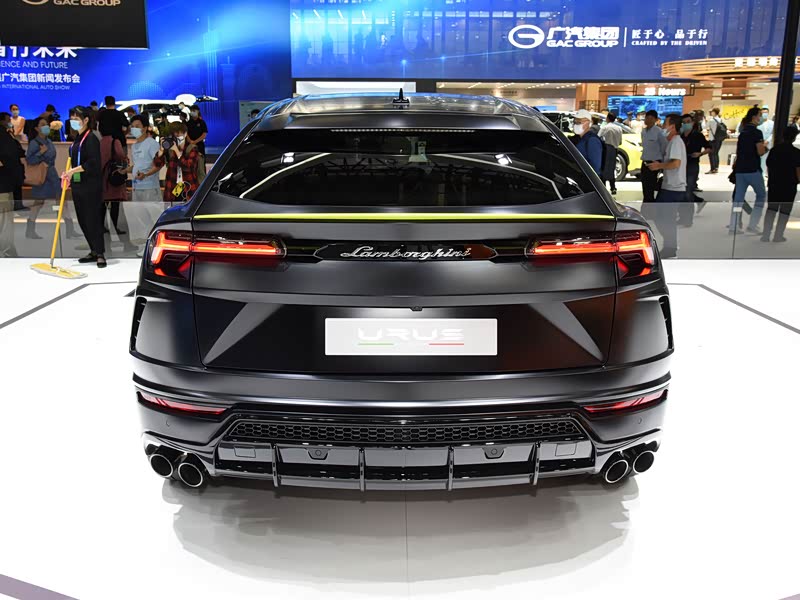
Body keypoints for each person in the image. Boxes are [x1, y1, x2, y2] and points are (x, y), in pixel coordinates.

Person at [62, 106, 107, 268]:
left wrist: (73, 170)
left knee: (92, 218)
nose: (73, 121)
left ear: (86, 120)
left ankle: (100, 253)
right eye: (72, 118)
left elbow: (93, 162)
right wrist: (68, 174)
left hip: (90, 186)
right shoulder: (77, 138)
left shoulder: (91, 138)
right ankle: (93, 250)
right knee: (82, 219)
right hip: (78, 185)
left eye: (76, 118)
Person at [646, 113, 686, 259]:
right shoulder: (673, 142)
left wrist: (659, 166)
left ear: (672, 127)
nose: (663, 126)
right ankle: (670, 245)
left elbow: (676, 163)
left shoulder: (676, 142)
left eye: (665, 124)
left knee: (665, 218)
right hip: (669, 186)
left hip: (674, 188)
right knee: (661, 216)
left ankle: (671, 247)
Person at [730, 107, 768, 234]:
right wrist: (765, 147)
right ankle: (753, 224)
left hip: (740, 170)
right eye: (759, 115)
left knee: (738, 199)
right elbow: (760, 151)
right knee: (761, 195)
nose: (761, 118)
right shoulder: (757, 133)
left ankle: (734, 225)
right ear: (754, 117)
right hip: (753, 169)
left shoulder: (743, 132)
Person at [127, 114, 163, 241]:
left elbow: (159, 164)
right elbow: (137, 164)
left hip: (150, 187)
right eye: (132, 126)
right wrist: (126, 170)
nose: (134, 129)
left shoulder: (152, 144)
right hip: (136, 186)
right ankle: (147, 242)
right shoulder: (134, 146)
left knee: (154, 216)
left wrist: (146, 175)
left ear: (145, 128)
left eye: (137, 126)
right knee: (141, 217)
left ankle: (158, 241)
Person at [24, 118, 61, 240]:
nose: (46, 127)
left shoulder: (49, 141)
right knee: (38, 203)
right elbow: (30, 160)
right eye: (43, 125)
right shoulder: (35, 143)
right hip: (42, 176)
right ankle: (30, 229)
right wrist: (40, 153)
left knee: (61, 201)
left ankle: (66, 228)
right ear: (36, 128)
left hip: (52, 175)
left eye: (47, 124)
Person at [762, 127, 800, 242]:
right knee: (785, 212)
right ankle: (778, 235)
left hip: (774, 184)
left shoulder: (774, 150)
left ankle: (766, 235)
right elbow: (798, 170)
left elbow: (768, 165)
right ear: (794, 138)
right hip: (789, 185)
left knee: (771, 210)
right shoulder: (796, 152)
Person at [99, 126, 133, 251]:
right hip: (113, 177)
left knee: (103, 206)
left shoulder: (100, 141)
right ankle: (117, 230)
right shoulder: (115, 141)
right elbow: (120, 155)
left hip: (103, 178)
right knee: (116, 205)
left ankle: (103, 231)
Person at [153, 122, 200, 203]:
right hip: (172, 188)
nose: (176, 138)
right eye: (174, 136)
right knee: (173, 209)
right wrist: (161, 151)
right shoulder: (170, 150)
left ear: (185, 134)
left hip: (188, 188)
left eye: (178, 135)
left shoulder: (191, 149)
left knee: (188, 209)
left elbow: (188, 167)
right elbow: (157, 164)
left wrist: (177, 151)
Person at [679, 113, 711, 225]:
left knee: (688, 192)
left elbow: (709, 148)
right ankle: (682, 217)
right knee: (681, 192)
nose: (686, 124)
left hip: (692, 165)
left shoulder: (698, 135)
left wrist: (700, 154)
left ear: (692, 123)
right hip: (681, 166)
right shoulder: (680, 136)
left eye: (688, 122)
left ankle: (688, 219)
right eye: (684, 122)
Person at [0, 111, 23, 257]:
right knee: (5, 220)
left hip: (6, 183)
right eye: (8, 119)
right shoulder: (3, 136)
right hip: (3, 184)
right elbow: (13, 154)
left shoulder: (7, 135)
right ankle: (6, 251)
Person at [641, 109, 667, 205]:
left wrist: (662, 164)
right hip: (645, 162)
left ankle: (650, 208)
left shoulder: (659, 132)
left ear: (656, 120)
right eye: (647, 118)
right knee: (645, 187)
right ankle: (646, 206)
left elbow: (664, 147)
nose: (648, 120)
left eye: (651, 118)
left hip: (654, 162)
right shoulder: (643, 131)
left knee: (650, 188)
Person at [571, 109, 603, 175]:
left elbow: (595, 168)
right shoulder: (577, 139)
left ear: (589, 123)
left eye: (579, 122)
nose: (576, 124)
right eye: (575, 122)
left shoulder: (592, 140)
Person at [599, 112, 623, 194]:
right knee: (612, 168)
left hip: (606, 149)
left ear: (608, 118)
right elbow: (620, 142)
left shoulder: (605, 127)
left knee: (604, 168)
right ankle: (613, 187)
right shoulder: (619, 128)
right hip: (615, 150)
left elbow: (598, 137)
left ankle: (603, 187)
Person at [186, 104, 208, 180]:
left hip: (200, 145)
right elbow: (186, 133)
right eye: (191, 111)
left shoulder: (202, 122)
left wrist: (195, 141)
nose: (192, 112)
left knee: (201, 163)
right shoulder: (188, 123)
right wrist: (190, 141)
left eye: (194, 111)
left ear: (198, 111)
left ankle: (202, 180)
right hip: (190, 145)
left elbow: (204, 134)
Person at [706, 108, 726, 174]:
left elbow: (705, 127)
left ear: (714, 112)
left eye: (712, 112)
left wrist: (706, 120)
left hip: (712, 139)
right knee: (716, 153)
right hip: (719, 139)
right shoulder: (720, 119)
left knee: (711, 154)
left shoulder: (711, 120)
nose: (711, 113)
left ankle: (712, 169)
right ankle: (716, 168)